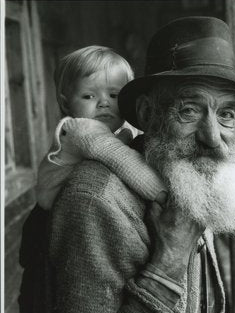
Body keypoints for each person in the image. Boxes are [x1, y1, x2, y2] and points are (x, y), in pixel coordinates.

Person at [28, 16, 235, 313]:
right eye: (189, 110)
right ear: (147, 112)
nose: (214, 139)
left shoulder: (191, 181)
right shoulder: (95, 200)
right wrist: (169, 260)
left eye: (227, 113)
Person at [36, 45, 166, 210]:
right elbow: (123, 159)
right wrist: (163, 195)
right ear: (66, 104)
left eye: (114, 95)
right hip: (59, 206)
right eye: (89, 96)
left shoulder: (121, 125)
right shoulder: (81, 130)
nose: (104, 103)